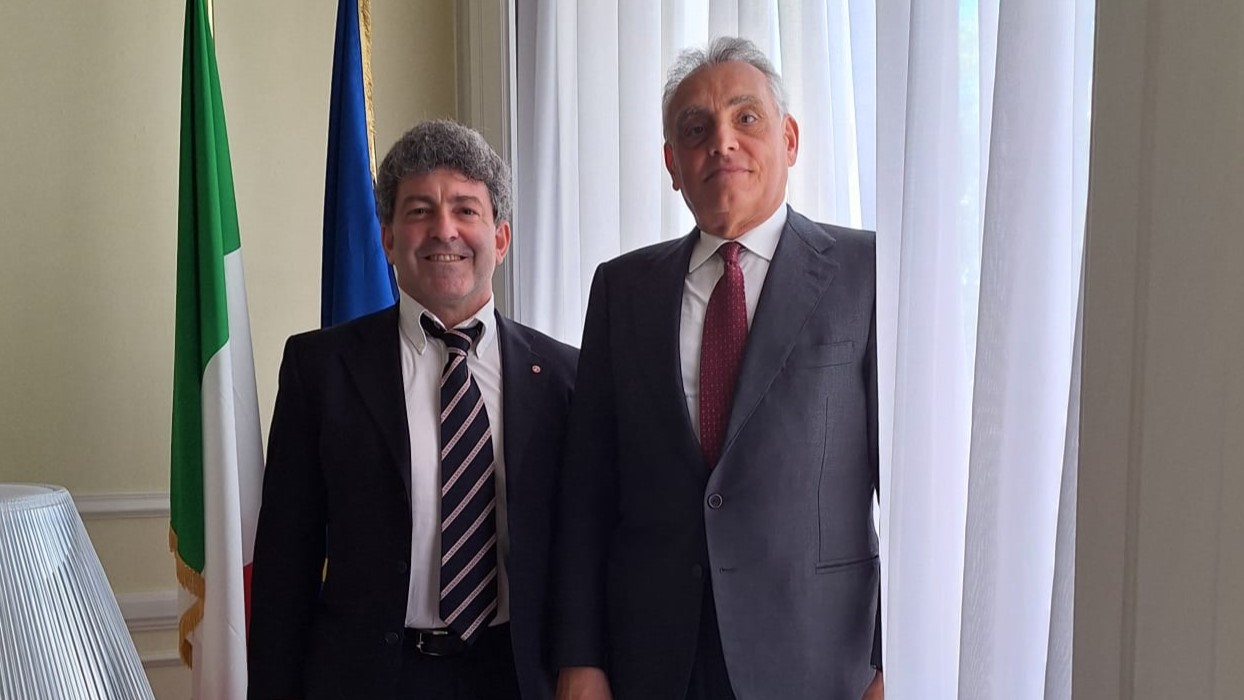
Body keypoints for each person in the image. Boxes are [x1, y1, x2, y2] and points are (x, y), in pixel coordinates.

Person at [552, 37, 884, 700]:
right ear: (672, 163)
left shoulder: (866, 271)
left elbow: (907, 485)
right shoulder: (622, 289)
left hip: (819, 662)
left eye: (746, 118)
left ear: (789, 138)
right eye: (696, 129)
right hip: (654, 658)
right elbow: (588, 490)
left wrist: (887, 662)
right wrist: (580, 658)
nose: (722, 142)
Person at [247, 120, 578, 700]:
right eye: (420, 211)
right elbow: (284, 564)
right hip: (369, 680)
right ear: (388, 239)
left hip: (518, 676)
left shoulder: (563, 376)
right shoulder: (319, 369)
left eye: (466, 210)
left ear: (500, 238)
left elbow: (585, 550)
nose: (444, 229)